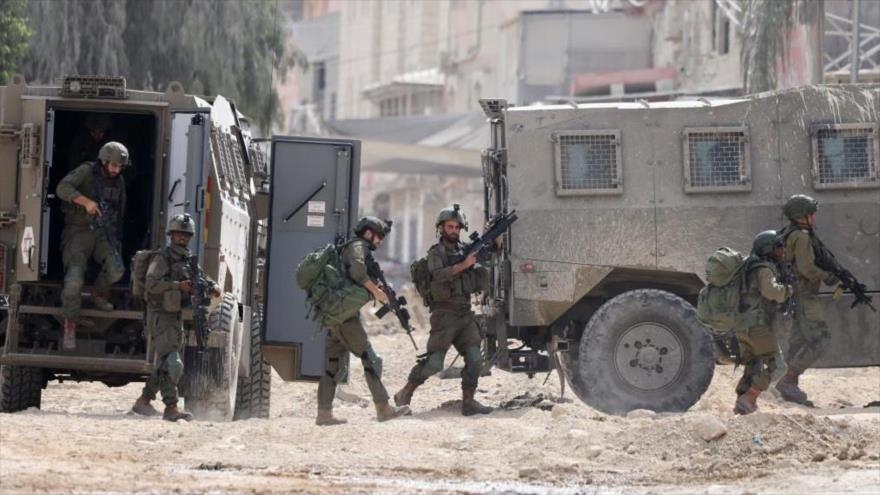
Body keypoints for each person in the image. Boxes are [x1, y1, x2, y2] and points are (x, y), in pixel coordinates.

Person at [394, 205, 494, 416]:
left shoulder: (465, 250)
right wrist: (465, 265)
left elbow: (485, 264)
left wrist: (492, 246)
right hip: (444, 315)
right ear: (441, 228)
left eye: (457, 227)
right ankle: (405, 393)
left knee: (476, 359)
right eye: (450, 226)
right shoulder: (435, 253)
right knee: (434, 363)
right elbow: (439, 275)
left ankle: (468, 402)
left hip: (465, 314)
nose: (454, 230)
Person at [315, 216, 410, 426]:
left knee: (332, 365)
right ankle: (383, 408)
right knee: (370, 358)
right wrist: (377, 292)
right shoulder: (358, 246)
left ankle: (324, 413)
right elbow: (357, 271)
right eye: (379, 238)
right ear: (368, 233)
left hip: (335, 315)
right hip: (345, 317)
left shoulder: (349, 247)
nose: (380, 242)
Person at [131, 214, 220, 422]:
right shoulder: (162, 258)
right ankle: (171, 407)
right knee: (172, 362)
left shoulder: (187, 258)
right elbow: (151, 284)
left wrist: (212, 285)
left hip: (175, 314)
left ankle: (143, 401)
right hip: (160, 315)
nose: (182, 238)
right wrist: (177, 286)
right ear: (171, 235)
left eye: (186, 235)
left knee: (166, 361)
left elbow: (200, 277)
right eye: (179, 234)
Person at [55, 141, 129, 350]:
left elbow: (120, 210)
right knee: (74, 279)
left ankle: (98, 293)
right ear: (104, 161)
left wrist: (116, 237)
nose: (116, 170)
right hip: (78, 232)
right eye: (114, 165)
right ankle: (70, 325)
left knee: (116, 269)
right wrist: (85, 202)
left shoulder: (119, 181)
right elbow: (62, 187)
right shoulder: (86, 171)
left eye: (120, 167)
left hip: (103, 233)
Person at [775, 194, 837, 406]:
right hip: (804, 295)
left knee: (799, 339)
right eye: (812, 214)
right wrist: (828, 276)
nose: (815, 217)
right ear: (803, 216)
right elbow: (807, 268)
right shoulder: (801, 237)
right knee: (821, 338)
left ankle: (787, 387)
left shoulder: (789, 234)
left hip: (796, 294)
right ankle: (788, 381)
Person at [733, 231, 793, 415]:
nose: (782, 250)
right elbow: (771, 292)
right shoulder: (764, 268)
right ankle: (749, 398)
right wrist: (787, 291)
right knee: (778, 365)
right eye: (778, 246)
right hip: (756, 326)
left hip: (741, 326)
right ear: (768, 249)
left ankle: (741, 404)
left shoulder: (749, 266)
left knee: (754, 364)